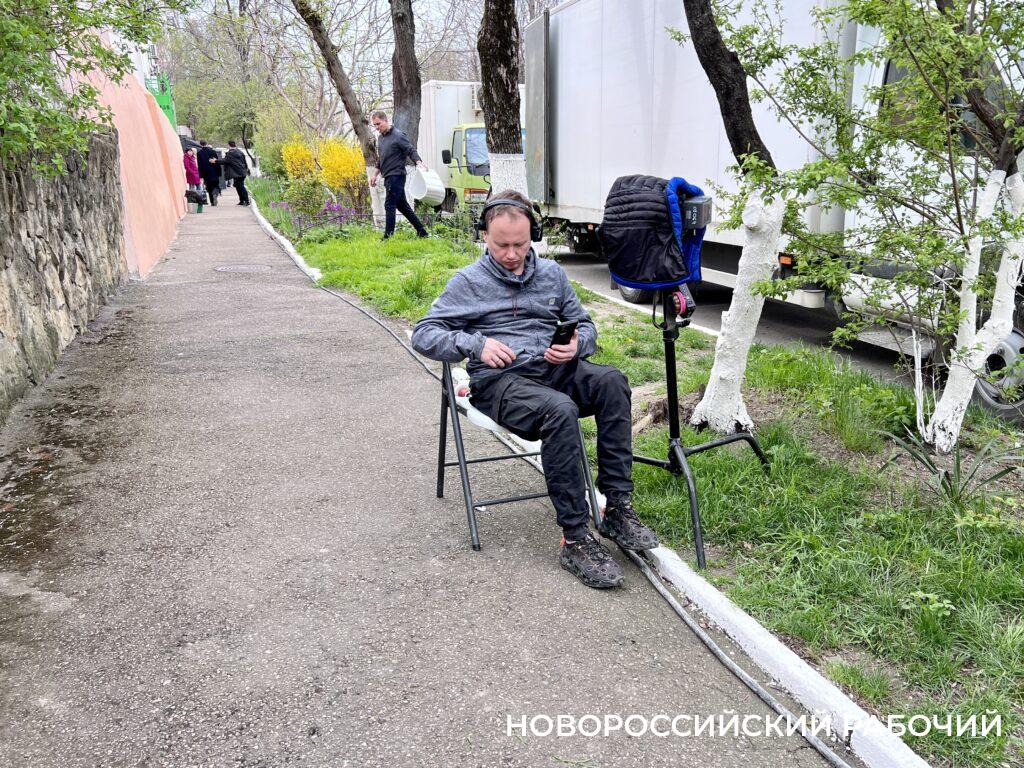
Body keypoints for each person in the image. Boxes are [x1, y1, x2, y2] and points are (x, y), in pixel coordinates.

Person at [410, 190, 660, 590]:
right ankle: (575, 538)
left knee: (612, 381)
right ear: (484, 236)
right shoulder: (468, 283)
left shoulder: (552, 274)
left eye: (521, 244)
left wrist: (578, 345)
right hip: (500, 383)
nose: (512, 254)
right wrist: (475, 345)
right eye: (501, 245)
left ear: (534, 237)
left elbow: (585, 324)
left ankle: (616, 507)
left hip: (553, 371)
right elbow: (423, 334)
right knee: (559, 410)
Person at [369, 110, 429, 239]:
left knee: (389, 205)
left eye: (378, 124)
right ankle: (422, 232)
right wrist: (374, 174)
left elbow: (410, 150)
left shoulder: (398, 135)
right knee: (403, 206)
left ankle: (388, 237)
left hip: (397, 176)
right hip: (387, 176)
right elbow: (381, 160)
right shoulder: (380, 138)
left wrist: (419, 162)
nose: (377, 127)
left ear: (386, 120)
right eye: (375, 125)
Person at [221, 140, 250, 206]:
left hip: (237, 173)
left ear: (229, 145)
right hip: (242, 172)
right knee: (238, 186)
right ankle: (242, 201)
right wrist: (246, 170)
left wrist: (215, 161)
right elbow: (245, 162)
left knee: (241, 186)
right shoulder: (240, 152)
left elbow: (224, 161)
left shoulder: (230, 153)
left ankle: (246, 201)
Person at [197, 140, 221, 206]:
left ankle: (212, 202)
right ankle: (215, 193)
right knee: (216, 185)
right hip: (214, 172)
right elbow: (217, 162)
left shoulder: (199, 153)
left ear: (200, 144)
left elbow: (200, 165)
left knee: (209, 187)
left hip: (206, 173)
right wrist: (219, 172)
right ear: (207, 143)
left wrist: (201, 175)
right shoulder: (213, 151)